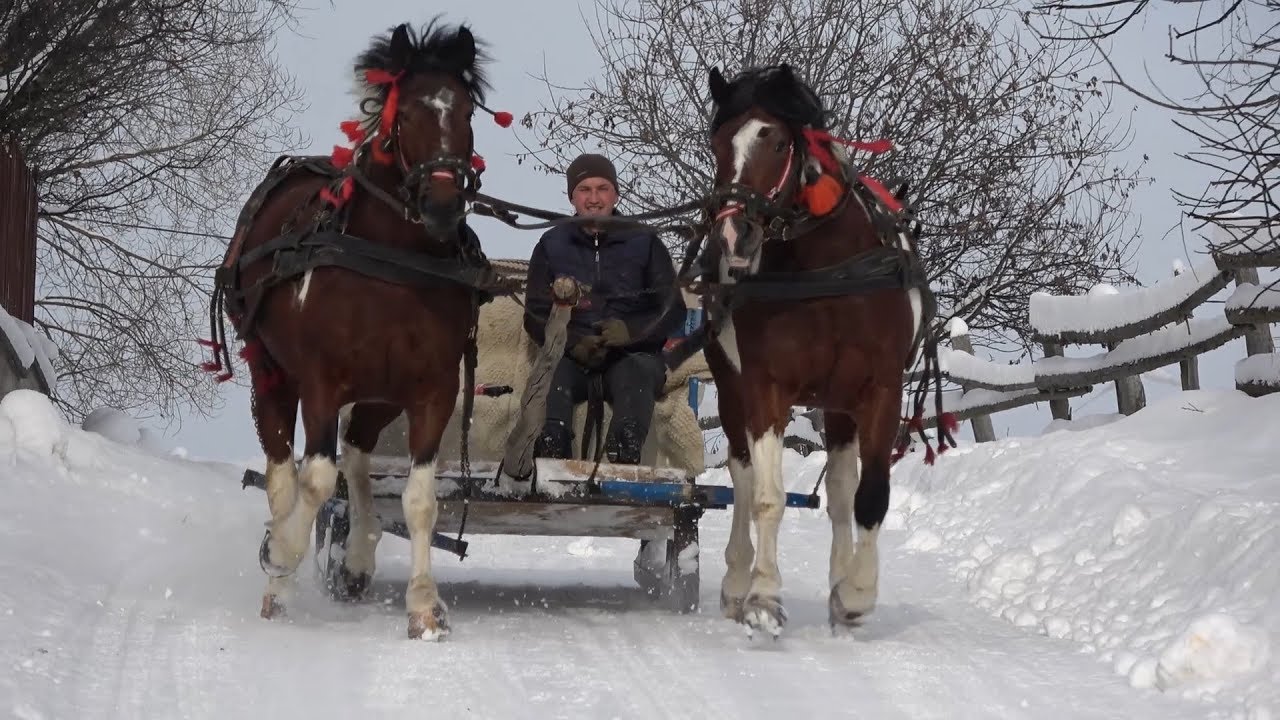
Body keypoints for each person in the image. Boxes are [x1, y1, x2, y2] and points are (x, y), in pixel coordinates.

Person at [522, 152, 685, 464]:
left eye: (602, 188)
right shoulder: (551, 244)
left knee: (637, 378)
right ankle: (552, 459)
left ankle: (624, 457)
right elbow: (534, 314)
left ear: (615, 194)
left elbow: (673, 309)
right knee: (549, 382)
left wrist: (631, 333)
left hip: (632, 357)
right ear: (572, 197)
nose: (594, 199)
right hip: (570, 358)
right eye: (584, 189)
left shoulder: (645, 241)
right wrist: (571, 343)